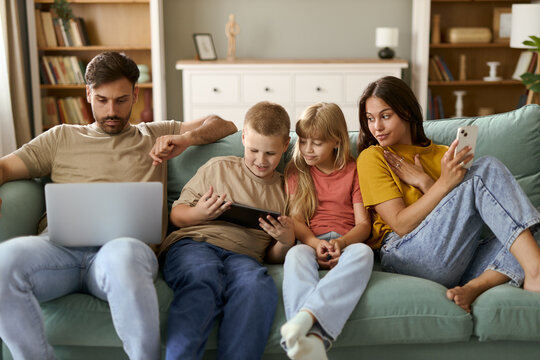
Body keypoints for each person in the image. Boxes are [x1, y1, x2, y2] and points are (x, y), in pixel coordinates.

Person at [0, 51, 237, 360]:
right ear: (88, 93)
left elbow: (223, 123)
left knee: (123, 255)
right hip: (59, 251)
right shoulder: (61, 137)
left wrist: (187, 138)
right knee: (3, 262)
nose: (111, 111)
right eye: (102, 100)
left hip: (122, 252)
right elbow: (5, 168)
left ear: (135, 94)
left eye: (121, 100)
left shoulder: (153, 133)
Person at [356, 76, 540, 313]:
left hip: (459, 257)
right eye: (370, 119)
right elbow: (400, 224)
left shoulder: (444, 155)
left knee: (532, 224)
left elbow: (459, 219)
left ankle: (474, 287)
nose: (376, 127)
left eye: (385, 116)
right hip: (406, 253)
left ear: (407, 112)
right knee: (485, 168)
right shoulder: (374, 157)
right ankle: (535, 271)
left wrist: (425, 181)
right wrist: (443, 184)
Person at [158, 101, 295, 360]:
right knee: (202, 276)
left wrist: (285, 242)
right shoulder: (218, 167)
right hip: (195, 244)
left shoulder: (286, 189)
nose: (261, 161)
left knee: (256, 287)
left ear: (285, 145)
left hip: (245, 256)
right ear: (243, 137)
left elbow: (273, 256)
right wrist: (200, 213)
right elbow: (176, 215)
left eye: (270, 153)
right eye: (254, 150)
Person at [280, 103, 373, 360]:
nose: (307, 149)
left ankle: (304, 326)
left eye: (317, 143)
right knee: (295, 255)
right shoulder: (297, 170)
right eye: (303, 140)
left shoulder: (355, 170)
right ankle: (312, 337)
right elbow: (296, 219)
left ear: (336, 141)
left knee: (364, 253)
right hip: (311, 241)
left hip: (347, 242)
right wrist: (312, 242)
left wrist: (341, 244)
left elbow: (363, 225)